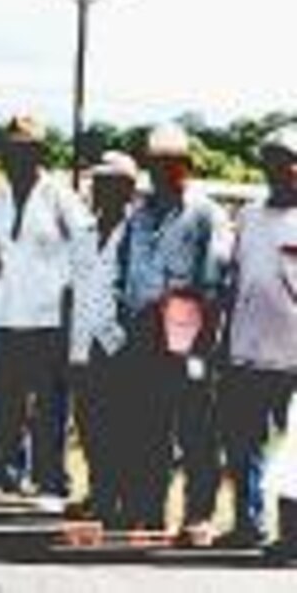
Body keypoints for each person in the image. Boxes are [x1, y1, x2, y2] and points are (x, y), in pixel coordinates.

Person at [117, 123, 230, 543]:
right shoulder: (140, 213)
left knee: (196, 428)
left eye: (172, 164)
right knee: (149, 425)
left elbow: (213, 281)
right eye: (156, 164)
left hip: (190, 331)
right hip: (143, 330)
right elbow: (128, 271)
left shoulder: (206, 213)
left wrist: (199, 341)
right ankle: (149, 510)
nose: (164, 171)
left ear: (187, 166)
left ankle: (199, 516)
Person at [0, 115, 91, 497]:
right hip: (9, 312)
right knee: (6, 403)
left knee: (50, 404)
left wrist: (75, 306)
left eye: (25, 150)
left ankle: (51, 479)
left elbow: (86, 247)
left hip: (51, 316)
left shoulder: (58, 194)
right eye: (10, 150)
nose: (16, 157)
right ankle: (7, 475)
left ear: (39, 153)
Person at [220, 126, 297, 551]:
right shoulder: (248, 216)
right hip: (245, 351)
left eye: (285, 160)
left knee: (294, 457)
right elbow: (234, 281)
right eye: (270, 161)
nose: (278, 169)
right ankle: (247, 525)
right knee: (242, 444)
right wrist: (221, 342)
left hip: (293, 358)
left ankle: (292, 536)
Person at [66, 151, 137, 525]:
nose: (99, 191)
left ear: (127, 190)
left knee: (120, 427)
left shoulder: (138, 234)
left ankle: (121, 501)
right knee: (89, 426)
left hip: (119, 349)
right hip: (82, 347)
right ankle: (100, 494)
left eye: (109, 185)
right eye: (97, 184)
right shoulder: (82, 234)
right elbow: (73, 291)